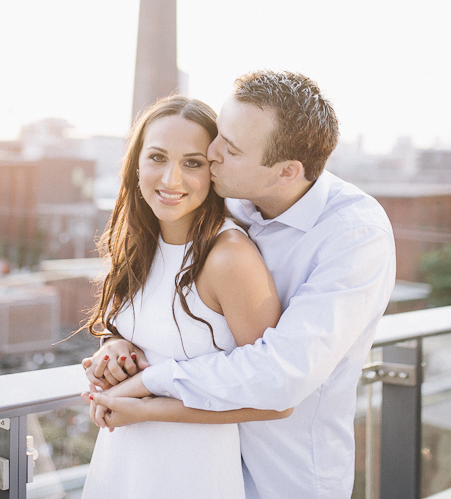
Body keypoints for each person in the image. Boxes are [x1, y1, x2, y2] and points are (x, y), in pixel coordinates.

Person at [84, 70, 396, 499]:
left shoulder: (354, 236)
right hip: (181, 457)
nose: (210, 154)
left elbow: (280, 377)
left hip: (286, 476)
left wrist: (148, 386)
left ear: (286, 172)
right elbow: (172, 314)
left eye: (228, 149)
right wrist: (118, 345)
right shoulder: (225, 196)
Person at [79, 94, 292, 499]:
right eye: (157, 158)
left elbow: (278, 399)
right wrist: (115, 346)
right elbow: (153, 331)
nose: (171, 180)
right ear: (136, 164)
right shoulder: (137, 242)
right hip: (121, 465)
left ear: (213, 171)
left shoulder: (228, 257)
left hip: (191, 475)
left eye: (192, 163)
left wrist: (143, 406)